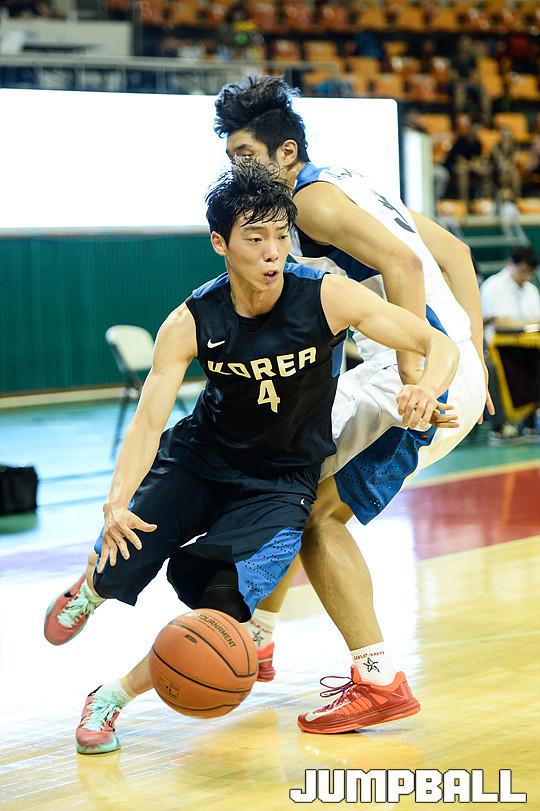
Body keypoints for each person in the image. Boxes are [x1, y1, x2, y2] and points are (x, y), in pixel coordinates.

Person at [45, 159, 459, 753]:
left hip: (279, 484)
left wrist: (425, 386)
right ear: (220, 243)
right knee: (122, 558)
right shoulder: (192, 319)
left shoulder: (326, 296)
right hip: (199, 461)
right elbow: (148, 422)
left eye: (281, 236)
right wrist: (116, 501)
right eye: (255, 238)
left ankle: (110, 697)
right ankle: (89, 591)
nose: (272, 252)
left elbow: (436, 343)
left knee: (223, 613)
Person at [212, 76, 490, 733]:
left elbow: (406, 265)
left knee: (312, 514)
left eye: (247, 157)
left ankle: (377, 680)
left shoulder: (309, 203)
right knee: (294, 484)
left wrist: (419, 377)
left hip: (413, 377)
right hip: (440, 366)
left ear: (286, 153)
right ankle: (259, 638)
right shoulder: (351, 180)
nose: (240, 172)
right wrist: (470, 357)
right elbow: (456, 253)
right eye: (231, 161)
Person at [481, 246, 540, 443]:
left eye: (529, 272)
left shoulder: (531, 290)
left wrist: (519, 323)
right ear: (510, 264)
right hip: (497, 347)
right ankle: (500, 425)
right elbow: (499, 322)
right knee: (498, 367)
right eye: (522, 270)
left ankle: (530, 421)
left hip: (527, 345)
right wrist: (524, 323)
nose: (526, 276)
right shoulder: (493, 286)